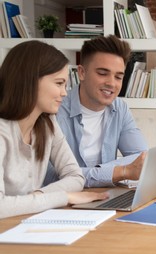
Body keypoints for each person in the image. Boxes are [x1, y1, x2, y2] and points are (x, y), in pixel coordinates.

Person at [0, 41, 107, 219]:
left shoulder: (47, 124)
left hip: (24, 225)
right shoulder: (3, 131)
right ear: (30, 81)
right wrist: (63, 197)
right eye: (59, 83)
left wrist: (38, 198)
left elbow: (76, 177)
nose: (64, 93)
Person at [45, 35, 148, 188]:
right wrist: (120, 172)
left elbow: (142, 159)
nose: (111, 83)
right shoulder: (54, 111)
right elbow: (51, 177)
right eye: (102, 73)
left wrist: (91, 175)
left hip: (105, 196)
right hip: (63, 202)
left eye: (118, 77)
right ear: (81, 73)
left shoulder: (120, 108)